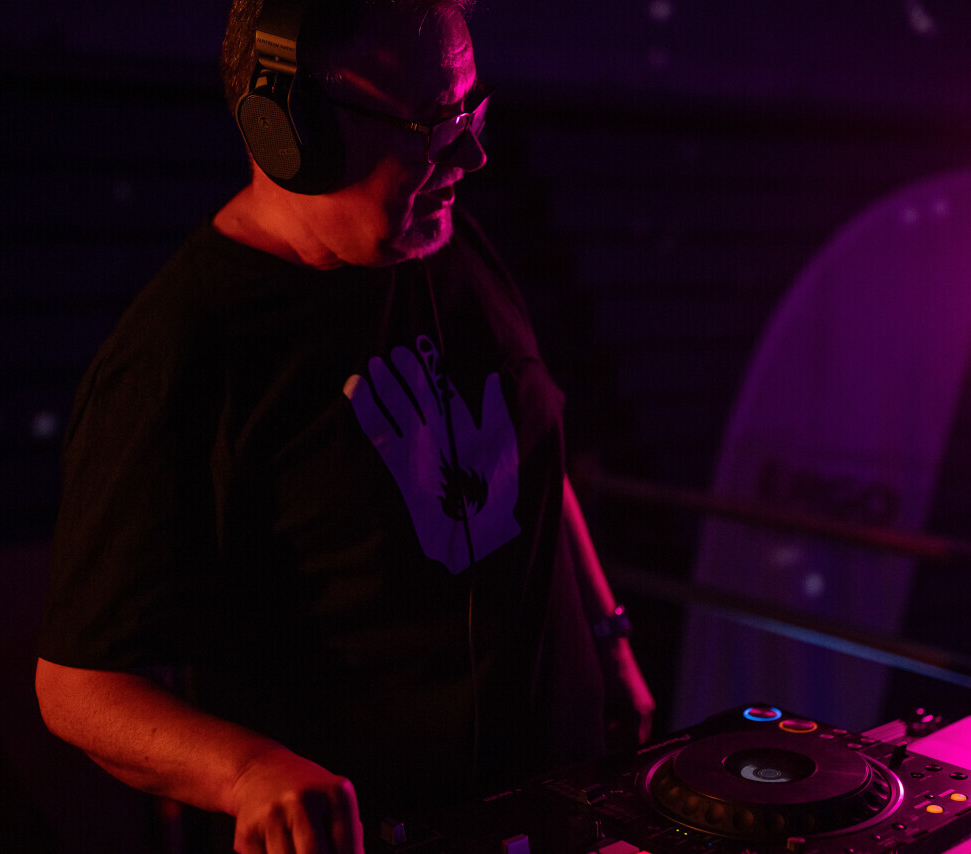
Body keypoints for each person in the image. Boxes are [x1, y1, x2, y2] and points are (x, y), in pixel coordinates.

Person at [33, 0, 654, 850]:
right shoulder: (177, 357)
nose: (472, 156)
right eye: (434, 125)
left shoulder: (450, 241)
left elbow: (532, 452)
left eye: (471, 112)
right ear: (291, 128)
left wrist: (609, 635)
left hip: (570, 803)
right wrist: (249, 773)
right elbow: (76, 687)